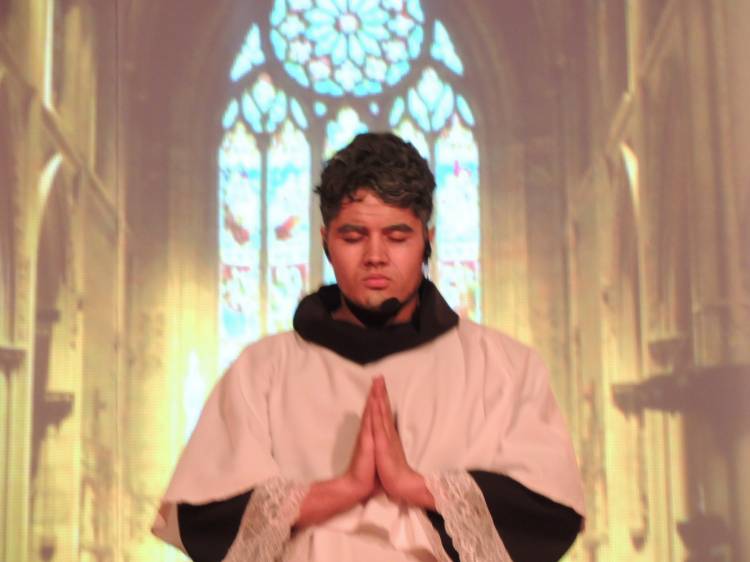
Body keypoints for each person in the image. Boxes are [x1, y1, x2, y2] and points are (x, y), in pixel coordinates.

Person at [152, 132, 585, 561]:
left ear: (428, 239)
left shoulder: (504, 368)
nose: (375, 255)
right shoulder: (262, 371)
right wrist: (344, 489)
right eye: (354, 236)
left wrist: (414, 485)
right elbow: (203, 521)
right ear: (325, 240)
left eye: (397, 237)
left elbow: (549, 516)